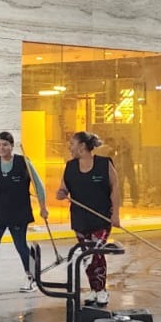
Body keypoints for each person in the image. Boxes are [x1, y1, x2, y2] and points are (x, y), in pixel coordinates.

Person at [0, 131, 49, 295]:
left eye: (5, 144)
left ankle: (31, 277)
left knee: (21, 246)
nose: (1, 148)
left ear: (12, 146)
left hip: (19, 213)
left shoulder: (23, 162)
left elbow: (39, 186)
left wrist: (43, 207)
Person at [56, 131, 121, 306]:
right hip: (80, 219)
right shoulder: (70, 166)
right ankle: (94, 289)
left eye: (72, 144)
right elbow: (63, 188)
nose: (70, 147)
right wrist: (61, 193)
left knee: (96, 253)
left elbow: (115, 188)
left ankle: (102, 290)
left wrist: (116, 214)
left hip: (101, 218)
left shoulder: (104, 164)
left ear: (82, 146)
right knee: (86, 256)